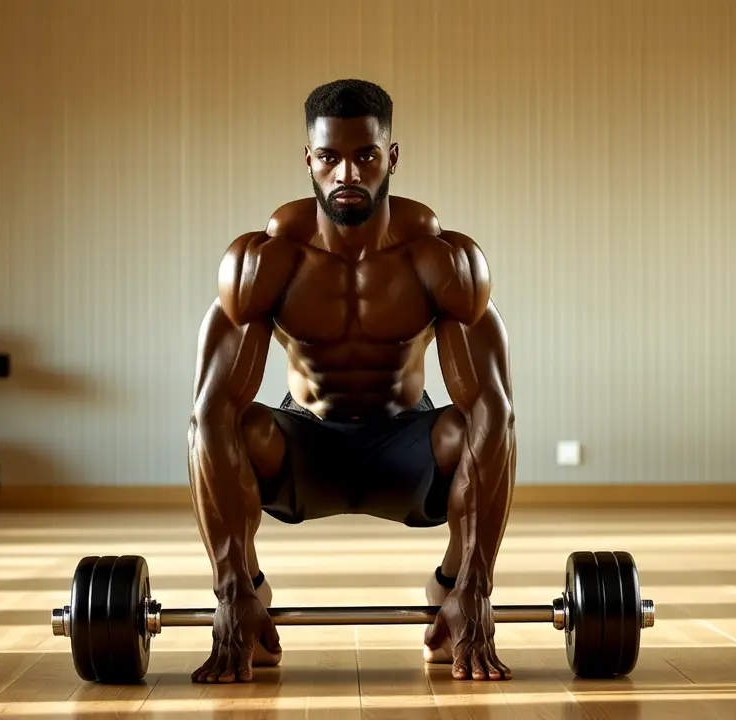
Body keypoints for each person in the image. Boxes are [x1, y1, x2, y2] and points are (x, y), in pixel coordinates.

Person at [187, 78, 515, 684]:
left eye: (365, 156)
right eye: (329, 157)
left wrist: (477, 584)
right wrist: (229, 589)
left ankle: (450, 589)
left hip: (407, 447)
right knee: (232, 422)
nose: (347, 173)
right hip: (302, 446)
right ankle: (252, 597)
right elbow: (208, 416)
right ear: (307, 160)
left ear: (390, 157)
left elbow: (495, 411)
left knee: (471, 425)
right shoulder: (266, 261)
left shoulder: (442, 261)